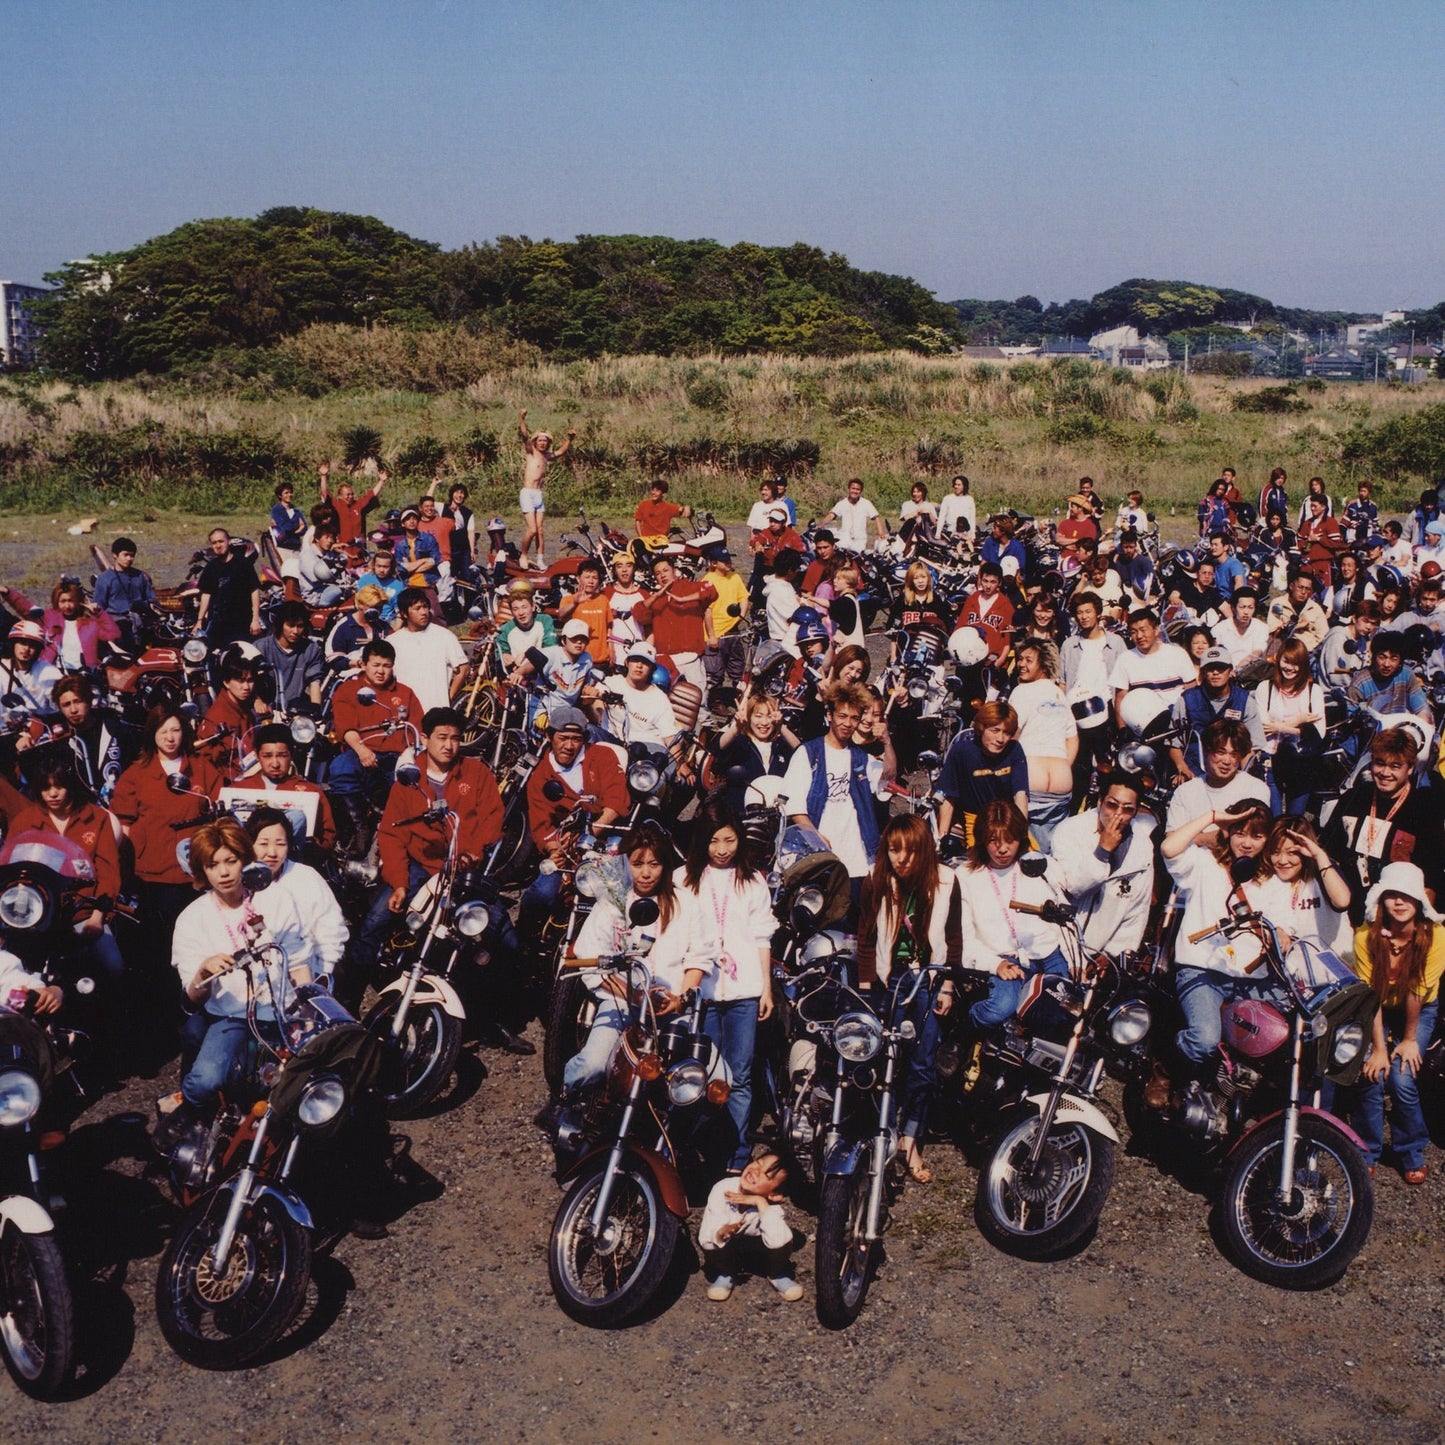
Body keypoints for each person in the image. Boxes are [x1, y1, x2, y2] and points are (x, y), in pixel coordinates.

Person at [159, 818, 319, 1148]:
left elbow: (299, 960)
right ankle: (188, 1110)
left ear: (245, 860)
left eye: (231, 860)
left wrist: (308, 1011)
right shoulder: (192, 919)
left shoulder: (275, 899)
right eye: (213, 865)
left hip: (282, 1013)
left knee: (303, 1089)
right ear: (202, 871)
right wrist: (204, 971)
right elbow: (192, 997)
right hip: (231, 1015)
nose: (224, 872)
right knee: (206, 1082)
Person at [349, 707, 504, 997]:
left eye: (456, 738)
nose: (449, 745)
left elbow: (492, 819)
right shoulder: (409, 778)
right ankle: (350, 996)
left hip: (464, 869)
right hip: (420, 867)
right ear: (425, 738)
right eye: (441, 737)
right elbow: (392, 834)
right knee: (375, 921)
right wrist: (398, 883)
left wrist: (472, 853)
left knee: (496, 931)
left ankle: (487, 1014)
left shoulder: (477, 772)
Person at [553, 820, 703, 1101]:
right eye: (638, 864)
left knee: (702, 1076)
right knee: (593, 1064)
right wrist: (632, 995)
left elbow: (699, 956)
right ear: (626, 863)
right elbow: (590, 958)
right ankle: (562, 1098)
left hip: (669, 1005)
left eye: (655, 864)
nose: (646, 873)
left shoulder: (686, 903)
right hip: (621, 1002)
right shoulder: (613, 902)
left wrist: (680, 998)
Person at [855, 815, 962, 1183]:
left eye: (910, 850)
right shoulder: (876, 880)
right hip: (890, 979)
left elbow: (953, 938)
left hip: (928, 980)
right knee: (886, 1059)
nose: (902, 858)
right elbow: (866, 939)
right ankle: (880, 1134)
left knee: (923, 1063)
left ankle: (910, 1139)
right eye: (894, 849)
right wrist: (867, 986)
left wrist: (947, 985)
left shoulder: (947, 881)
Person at [1154, 800, 1274, 1100]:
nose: (1247, 843)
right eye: (1240, 833)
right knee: (1205, 1040)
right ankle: (1165, 1067)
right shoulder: (1205, 862)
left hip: (1249, 978)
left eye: (1257, 836)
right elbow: (1169, 848)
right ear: (1228, 832)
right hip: (1202, 970)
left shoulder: (1270, 879)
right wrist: (1210, 817)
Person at [681, 802, 775, 1173]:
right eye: (715, 841)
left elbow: (762, 936)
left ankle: (736, 1155)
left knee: (740, 1073)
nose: (722, 849)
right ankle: (702, 1148)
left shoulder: (753, 881)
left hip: (743, 992)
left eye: (730, 840)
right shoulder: (684, 880)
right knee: (701, 1072)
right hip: (701, 993)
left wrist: (766, 988)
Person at [111, 704, 224, 991]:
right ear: (153, 735)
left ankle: (194, 991)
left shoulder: (201, 768)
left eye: (175, 730)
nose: (170, 738)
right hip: (152, 869)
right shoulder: (137, 773)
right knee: (157, 941)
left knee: (194, 934)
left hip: (193, 869)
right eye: (163, 732)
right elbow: (122, 820)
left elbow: (220, 808)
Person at [1344, 862, 1442, 1184]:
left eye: (1407, 896)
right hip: (1378, 1007)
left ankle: (1411, 1151)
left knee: (1402, 1078)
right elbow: (1370, 996)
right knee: (1373, 1074)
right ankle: (1367, 1148)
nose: (1399, 902)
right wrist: (1377, 1049)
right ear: (1381, 898)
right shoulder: (1365, 934)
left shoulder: (1436, 935)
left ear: (1419, 902)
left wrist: (1410, 1038)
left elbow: (1417, 990)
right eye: (1392, 895)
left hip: (1418, 1009)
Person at [517, 705, 630, 942]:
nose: (569, 746)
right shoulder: (541, 775)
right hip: (564, 845)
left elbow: (617, 799)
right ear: (549, 737)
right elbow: (541, 825)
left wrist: (593, 831)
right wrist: (554, 850)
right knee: (543, 892)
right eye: (563, 738)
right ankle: (524, 940)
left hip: (604, 838)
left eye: (576, 739)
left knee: (617, 896)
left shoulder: (602, 756)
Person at [9, 761, 125, 986]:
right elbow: (14, 872)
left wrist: (97, 917)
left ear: (70, 786)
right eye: (45, 788)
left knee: (113, 965)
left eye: (59, 786)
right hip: (38, 917)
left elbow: (108, 870)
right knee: (27, 974)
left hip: (85, 914)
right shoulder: (25, 820)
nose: (52, 794)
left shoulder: (97, 817)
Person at [782, 683, 897, 900]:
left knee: (855, 928)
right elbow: (794, 806)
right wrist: (815, 837)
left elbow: (888, 777)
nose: (848, 723)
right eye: (842, 716)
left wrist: (887, 742)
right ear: (829, 714)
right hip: (819, 859)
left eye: (854, 718)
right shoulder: (808, 753)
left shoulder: (862, 758)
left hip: (859, 861)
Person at [959, 800, 1068, 1028]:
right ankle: (964, 1025)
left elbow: (1063, 918)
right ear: (981, 840)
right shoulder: (966, 876)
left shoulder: (1039, 865)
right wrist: (995, 964)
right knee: (999, 1011)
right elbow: (964, 940)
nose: (1003, 849)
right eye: (993, 841)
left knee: (1063, 1009)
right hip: (1003, 957)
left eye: (1011, 840)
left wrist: (1072, 957)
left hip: (1045, 952)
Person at [1320, 727, 1445, 922]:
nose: (1385, 773)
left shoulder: (1424, 810)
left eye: (1395, 766)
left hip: (1393, 917)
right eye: (1380, 763)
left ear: (1410, 768)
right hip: (1347, 911)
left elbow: (1432, 875)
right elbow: (1328, 851)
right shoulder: (1354, 797)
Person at [328, 639, 421, 849]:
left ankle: (404, 835)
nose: (381, 671)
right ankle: (361, 822)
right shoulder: (349, 690)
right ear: (364, 664)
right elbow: (346, 727)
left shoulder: (405, 692)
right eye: (376, 665)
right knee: (340, 769)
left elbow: (417, 728)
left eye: (386, 666)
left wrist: (412, 753)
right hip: (364, 752)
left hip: (398, 756)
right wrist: (361, 750)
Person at [1048, 776, 1154, 954]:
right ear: (1099, 802)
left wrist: (1113, 955)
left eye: (1127, 809)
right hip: (1056, 946)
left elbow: (1137, 911)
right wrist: (1102, 851)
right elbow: (1074, 887)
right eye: (1112, 805)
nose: (1118, 815)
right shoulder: (1070, 831)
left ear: (1135, 813)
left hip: (1100, 955)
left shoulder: (1142, 848)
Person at [245, 805, 349, 983]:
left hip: (306, 972)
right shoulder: (240, 881)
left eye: (280, 844)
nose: (272, 852)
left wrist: (323, 971)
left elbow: (331, 928)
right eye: (263, 844)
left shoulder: (306, 877)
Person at [1243, 816, 1353, 959]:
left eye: (1292, 853)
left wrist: (1319, 855)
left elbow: (1342, 901)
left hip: (1335, 971)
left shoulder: (1323, 871)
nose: (1282, 861)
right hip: (1294, 975)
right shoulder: (1267, 882)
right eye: (1275, 852)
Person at [698, 1153, 802, 1302]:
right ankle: (727, 1273)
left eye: (766, 1175)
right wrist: (722, 1232)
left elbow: (779, 1240)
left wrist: (760, 1202)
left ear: (774, 1194)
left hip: (755, 1245)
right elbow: (708, 1233)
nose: (756, 1171)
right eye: (758, 1163)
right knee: (709, 1241)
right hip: (726, 1242)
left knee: (783, 1240)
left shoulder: (771, 1205)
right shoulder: (723, 1188)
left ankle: (776, 1273)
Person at [1010, 639, 1077, 851]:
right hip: (1061, 786)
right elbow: (1073, 739)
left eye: (1029, 660)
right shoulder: (1059, 694)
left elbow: (1012, 736)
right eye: (1020, 659)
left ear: (1044, 665)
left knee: (1026, 855)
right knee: (1054, 853)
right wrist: (1063, 766)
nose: (1021, 664)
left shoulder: (1021, 691)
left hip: (1030, 786)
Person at [229, 723, 338, 852]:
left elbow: (328, 835)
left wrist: (313, 846)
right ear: (257, 756)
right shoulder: (240, 789)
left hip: (294, 857)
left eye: (282, 755)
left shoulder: (310, 791)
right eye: (267, 756)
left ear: (291, 755)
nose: (275, 764)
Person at [935, 700, 1028, 847]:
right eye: (995, 731)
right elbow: (948, 796)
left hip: (1008, 820)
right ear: (981, 728)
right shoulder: (962, 751)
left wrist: (1022, 834)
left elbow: (1020, 794)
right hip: (977, 821)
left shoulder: (1014, 750)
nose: (1000, 739)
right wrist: (941, 840)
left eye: (1006, 733)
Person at [1061, 591, 1125, 802]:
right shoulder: (1069, 644)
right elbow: (1062, 681)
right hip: (1076, 711)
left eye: (1088, 611)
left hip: (1105, 710)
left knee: (1107, 766)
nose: (1084, 617)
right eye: (1079, 613)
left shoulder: (1115, 642)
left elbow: (1125, 679)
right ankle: (1077, 808)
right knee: (1080, 768)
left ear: (1098, 613)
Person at [1170, 647, 1265, 780]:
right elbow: (1174, 744)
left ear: (1230, 670)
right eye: (1210, 668)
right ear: (1203, 672)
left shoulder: (1245, 701)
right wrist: (1182, 768)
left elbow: (1252, 746)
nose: (1215, 673)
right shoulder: (1186, 700)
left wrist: (1245, 779)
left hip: (1232, 772)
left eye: (1220, 668)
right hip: (1194, 773)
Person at [1164, 718, 1270, 833]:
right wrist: (1206, 839)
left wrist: (1191, 837)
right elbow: (1171, 842)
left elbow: (1250, 837)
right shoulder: (1185, 791)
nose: (1227, 761)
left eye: (1234, 754)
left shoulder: (1255, 789)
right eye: (1221, 752)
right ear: (1207, 751)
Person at [1257, 639, 1326, 814]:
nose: (1290, 668)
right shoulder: (1265, 688)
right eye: (1286, 661)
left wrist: (1280, 727)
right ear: (1279, 659)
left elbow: (1319, 732)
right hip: (1270, 759)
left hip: (1300, 761)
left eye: (1296, 664)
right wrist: (1299, 721)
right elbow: (1263, 727)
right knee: (1272, 818)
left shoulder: (1313, 691)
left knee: (1294, 820)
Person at [633, 555, 716, 691]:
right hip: (666, 661)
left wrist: (684, 599)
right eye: (658, 573)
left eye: (665, 570)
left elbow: (711, 590)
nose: (662, 576)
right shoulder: (656, 600)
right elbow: (639, 614)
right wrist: (657, 595)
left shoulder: (691, 587)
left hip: (691, 658)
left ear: (674, 570)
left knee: (697, 701)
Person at [0, 578, 120, 671]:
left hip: (85, 673)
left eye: (71, 601)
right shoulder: (48, 617)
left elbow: (113, 635)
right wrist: (7, 592)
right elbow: (26, 607)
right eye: (63, 601)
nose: (67, 606)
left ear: (78, 602)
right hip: (53, 670)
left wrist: (99, 613)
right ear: (56, 601)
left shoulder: (90, 623)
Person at [711, 692, 798, 815]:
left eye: (769, 716)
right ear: (749, 717)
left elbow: (801, 751)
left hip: (777, 813)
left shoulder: (781, 745)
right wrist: (736, 727)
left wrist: (781, 726)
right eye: (758, 716)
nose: (764, 722)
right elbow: (718, 747)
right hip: (743, 814)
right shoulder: (740, 742)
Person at [1109, 608, 1196, 727]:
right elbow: (1121, 698)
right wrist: (1122, 729)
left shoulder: (1177, 653)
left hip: (1177, 721)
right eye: (1133, 631)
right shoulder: (1125, 659)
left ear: (1156, 630)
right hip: (1144, 723)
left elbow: (1191, 689)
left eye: (1143, 630)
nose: (1139, 636)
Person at [52, 673, 131, 803]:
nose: (73, 710)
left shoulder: (115, 728)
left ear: (89, 700)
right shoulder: (61, 742)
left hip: (122, 803)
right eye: (66, 705)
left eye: (78, 701)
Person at [389, 588, 468, 713]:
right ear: (404, 614)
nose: (423, 612)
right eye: (417, 608)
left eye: (425, 607)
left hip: (437, 712)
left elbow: (463, 669)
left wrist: (449, 697)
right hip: (405, 711)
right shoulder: (392, 642)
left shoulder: (444, 636)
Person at [198, 648, 268, 780]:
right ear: (226, 682)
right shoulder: (220, 716)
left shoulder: (240, 707)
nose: (246, 687)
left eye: (250, 680)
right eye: (240, 681)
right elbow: (230, 765)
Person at [518, 409, 575, 566]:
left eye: (545, 441)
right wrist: (522, 419)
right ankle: (523, 555)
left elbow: (561, 452)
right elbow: (524, 436)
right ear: (535, 442)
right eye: (540, 440)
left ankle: (540, 560)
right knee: (532, 530)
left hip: (538, 495)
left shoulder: (547, 456)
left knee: (540, 530)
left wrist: (569, 439)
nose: (542, 443)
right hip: (527, 494)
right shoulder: (531, 452)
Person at [601, 640, 677, 749]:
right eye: (635, 660)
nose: (639, 665)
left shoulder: (659, 698)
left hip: (646, 746)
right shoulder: (612, 683)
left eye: (645, 662)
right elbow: (591, 699)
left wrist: (680, 763)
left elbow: (669, 734)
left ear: (651, 669)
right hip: (613, 741)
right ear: (627, 663)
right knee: (591, 731)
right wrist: (595, 699)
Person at [194, 529, 264, 648]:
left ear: (229, 542)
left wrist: (255, 619)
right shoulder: (211, 567)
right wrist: (199, 621)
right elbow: (206, 595)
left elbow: (254, 591)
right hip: (217, 622)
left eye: (221, 541)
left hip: (242, 621)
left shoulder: (243, 563)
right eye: (214, 543)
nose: (218, 545)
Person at [1346, 630, 1433, 723]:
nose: (1387, 664)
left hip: (1399, 732)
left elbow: (1421, 709)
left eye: (1393, 658)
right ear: (1373, 657)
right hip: (1371, 734)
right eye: (1382, 657)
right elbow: (1352, 722)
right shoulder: (1359, 685)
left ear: (1400, 661)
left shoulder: (1406, 674)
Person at [256, 601, 325, 711]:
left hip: (296, 710)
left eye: (300, 626)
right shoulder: (261, 647)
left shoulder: (311, 649)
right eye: (291, 625)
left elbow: (315, 682)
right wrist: (257, 701)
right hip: (266, 709)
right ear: (281, 624)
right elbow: (250, 680)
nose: (295, 631)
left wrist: (315, 709)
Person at [93, 536, 158, 647]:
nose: (129, 558)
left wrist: (145, 605)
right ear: (115, 555)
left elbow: (152, 599)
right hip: (117, 623)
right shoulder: (105, 579)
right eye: (125, 555)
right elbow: (99, 608)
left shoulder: (140, 576)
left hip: (140, 621)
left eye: (132, 555)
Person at [702, 548, 750, 694]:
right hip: (716, 634)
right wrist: (712, 636)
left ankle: (739, 700)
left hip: (733, 632)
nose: (729, 563)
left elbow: (744, 598)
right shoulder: (707, 582)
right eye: (725, 561)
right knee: (715, 674)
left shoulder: (734, 576)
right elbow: (707, 611)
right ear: (714, 563)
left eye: (729, 559)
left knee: (738, 670)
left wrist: (738, 618)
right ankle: (716, 702)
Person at [555, 558, 612, 665]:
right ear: (578, 579)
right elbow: (561, 615)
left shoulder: (603, 599)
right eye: (587, 577)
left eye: (594, 578)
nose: (591, 581)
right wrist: (575, 603)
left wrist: (611, 651)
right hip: (577, 658)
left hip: (601, 659)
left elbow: (609, 628)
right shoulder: (569, 599)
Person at [496, 580, 558, 677]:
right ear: (511, 611)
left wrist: (526, 654)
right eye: (515, 609)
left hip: (543, 674)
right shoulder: (506, 629)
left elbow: (551, 648)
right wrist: (504, 655)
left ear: (533, 607)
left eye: (524, 607)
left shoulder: (545, 620)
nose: (521, 613)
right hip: (515, 676)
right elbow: (499, 650)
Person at [0, 620, 63, 713]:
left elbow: (59, 705)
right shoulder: (1, 670)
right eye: (22, 642)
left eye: (32, 645)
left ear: (38, 650)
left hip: (38, 725)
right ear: (13, 644)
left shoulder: (48, 671)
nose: (26, 649)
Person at [319, 460, 387, 545]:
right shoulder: (336, 505)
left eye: (352, 494)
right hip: (342, 547)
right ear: (340, 496)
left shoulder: (358, 505)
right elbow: (325, 494)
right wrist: (323, 476)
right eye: (347, 495)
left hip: (359, 547)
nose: (350, 497)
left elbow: (371, 495)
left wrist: (381, 481)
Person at [1316, 598, 1379, 690]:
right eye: (1365, 621)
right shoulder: (1338, 636)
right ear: (1354, 618)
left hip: (1354, 693)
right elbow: (1337, 677)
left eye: (1373, 623)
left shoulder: (1363, 641)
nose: (1369, 627)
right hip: (1332, 696)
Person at [603, 554, 648, 665]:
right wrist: (609, 649)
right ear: (614, 570)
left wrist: (646, 652)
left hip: (638, 656)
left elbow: (651, 629)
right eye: (619, 566)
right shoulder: (606, 594)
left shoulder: (644, 595)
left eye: (628, 566)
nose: (624, 570)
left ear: (634, 569)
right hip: (614, 654)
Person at [325, 584, 386, 665]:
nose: (377, 611)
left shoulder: (383, 626)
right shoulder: (344, 626)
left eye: (379, 607)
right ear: (360, 604)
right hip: (351, 671)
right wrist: (356, 663)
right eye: (373, 607)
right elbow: (332, 658)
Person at [1298, 495, 1347, 590]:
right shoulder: (1307, 523)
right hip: (1307, 565)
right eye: (1311, 506)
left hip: (1323, 564)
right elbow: (1300, 541)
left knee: (1325, 593)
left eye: (1315, 506)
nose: (1312, 509)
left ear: (1323, 507)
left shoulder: (1330, 522)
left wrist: (1319, 539)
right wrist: (1307, 543)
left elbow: (1336, 544)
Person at [822, 477, 884, 553]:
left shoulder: (866, 503)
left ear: (861, 491)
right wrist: (821, 525)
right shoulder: (842, 504)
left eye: (857, 489)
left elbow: (876, 517)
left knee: (857, 561)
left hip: (860, 540)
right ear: (849, 489)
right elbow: (832, 515)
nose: (855, 491)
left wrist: (881, 533)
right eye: (853, 488)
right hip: (844, 539)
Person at [1213, 587, 1269, 669]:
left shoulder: (1261, 627)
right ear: (1233, 608)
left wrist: (1245, 663)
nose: (1246, 612)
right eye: (1242, 607)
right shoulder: (1219, 629)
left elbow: (1258, 650)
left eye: (1250, 607)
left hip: (1251, 671)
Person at [298, 521, 345, 608]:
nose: (330, 541)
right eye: (326, 537)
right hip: (315, 595)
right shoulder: (307, 555)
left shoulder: (329, 554)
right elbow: (316, 577)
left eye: (332, 538)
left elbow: (340, 570)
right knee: (341, 591)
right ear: (317, 539)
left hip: (326, 589)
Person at [633, 479, 691, 545]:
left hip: (661, 540)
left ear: (663, 494)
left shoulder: (668, 507)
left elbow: (681, 509)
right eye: (653, 490)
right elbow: (637, 522)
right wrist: (641, 537)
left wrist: (687, 507)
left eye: (657, 491)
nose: (654, 493)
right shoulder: (643, 504)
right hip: (646, 539)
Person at [937, 475, 976, 541]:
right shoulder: (947, 498)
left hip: (966, 532)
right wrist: (938, 532)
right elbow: (942, 517)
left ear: (964, 486)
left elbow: (972, 518)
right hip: (951, 531)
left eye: (959, 485)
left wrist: (972, 533)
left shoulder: (970, 499)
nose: (956, 487)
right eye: (955, 484)